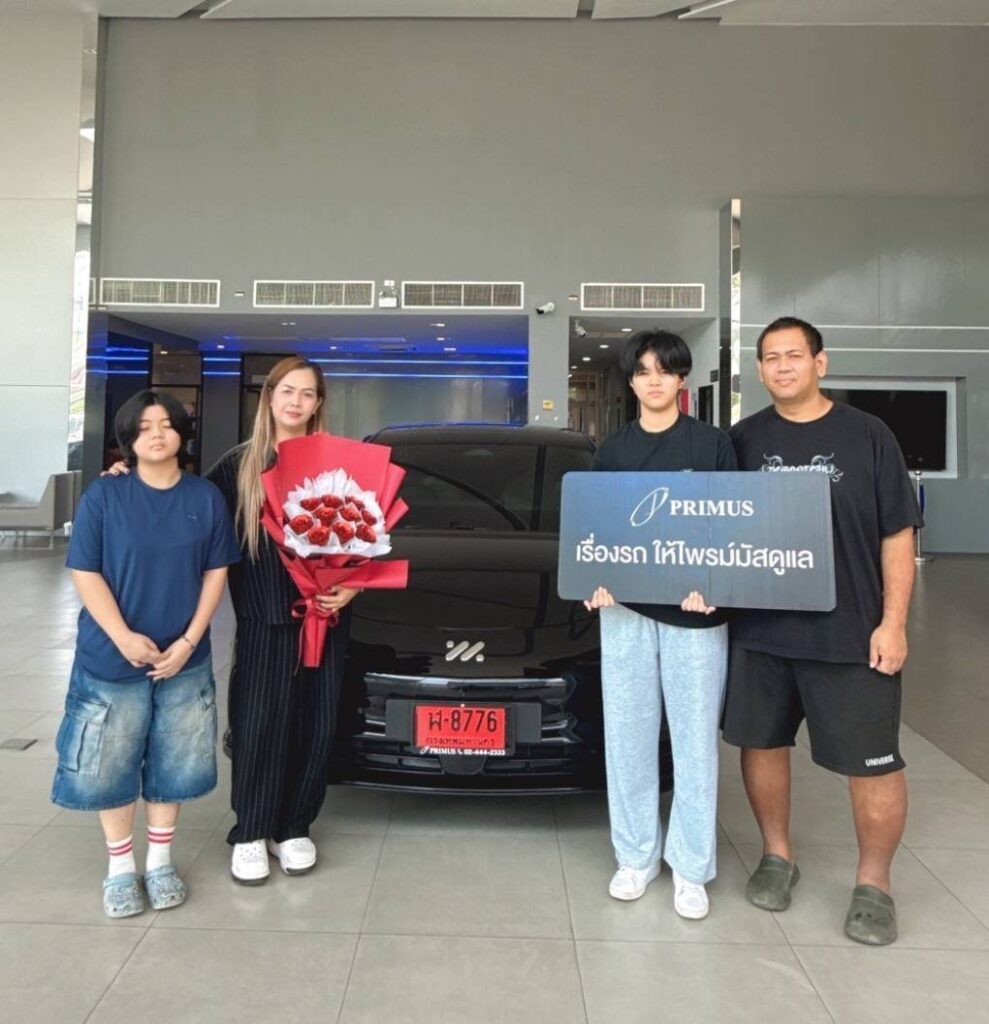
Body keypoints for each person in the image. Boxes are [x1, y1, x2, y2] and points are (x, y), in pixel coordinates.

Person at [723, 316, 922, 946]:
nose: (782, 366)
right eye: (771, 358)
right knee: (762, 746)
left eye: (794, 355)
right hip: (761, 632)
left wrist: (893, 623)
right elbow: (713, 526)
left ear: (820, 363)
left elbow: (898, 533)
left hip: (851, 633)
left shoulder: (868, 435)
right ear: (759, 371)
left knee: (874, 763)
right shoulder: (742, 440)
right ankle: (776, 855)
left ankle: (874, 885)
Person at [51, 390, 239, 918]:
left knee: (173, 762)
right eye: (144, 427)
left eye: (167, 424)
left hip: (183, 659)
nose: (157, 434)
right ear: (128, 439)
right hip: (112, 658)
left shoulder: (205, 498)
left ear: (182, 433)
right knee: (110, 763)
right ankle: (119, 867)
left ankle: (159, 862)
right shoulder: (104, 496)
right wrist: (122, 637)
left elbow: (216, 573)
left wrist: (189, 641)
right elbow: (85, 571)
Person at [584, 330, 736, 920]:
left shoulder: (712, 445)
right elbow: (595, 532)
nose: (653, 380)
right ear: (631, 382)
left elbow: (730, 528)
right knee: (627, 739)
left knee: (695, 744)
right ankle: (636, 857)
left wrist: (716, 586)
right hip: (624, 613)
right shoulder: (612, 450)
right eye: (643, 371)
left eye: (664, 371)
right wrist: (594, 581)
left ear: (681, 379)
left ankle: (691, 867)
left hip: (695, 618)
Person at [206, 357, 358, 884]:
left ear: (319, 404)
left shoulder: (338, 466)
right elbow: (187, 512)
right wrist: (127, 479)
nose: (296, 402)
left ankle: (293, 827)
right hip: (265, 618)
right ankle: (251, 830)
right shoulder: (236, 468)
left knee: (315, 724)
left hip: (326, 619)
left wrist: (353, 586)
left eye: (307, 393)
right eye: (287, 391)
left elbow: (372, 536)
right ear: (269, 397)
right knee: (259, 724)